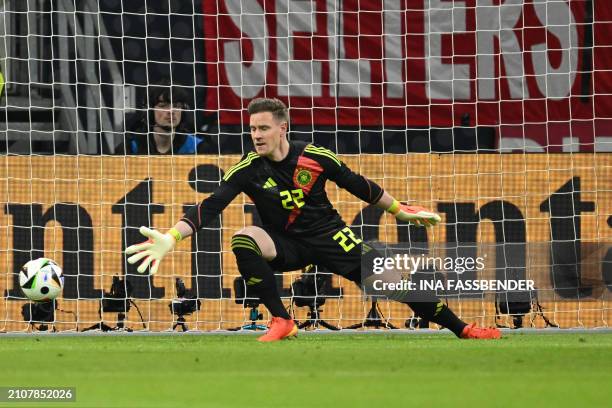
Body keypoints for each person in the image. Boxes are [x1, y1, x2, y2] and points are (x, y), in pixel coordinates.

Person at [125, 98, 501, 342]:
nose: (256, 135)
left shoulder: (315, 156)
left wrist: (399, 210)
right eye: (252, 128)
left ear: (282, 128)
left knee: (393, 284)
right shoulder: (248, 168)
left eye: (263, 128)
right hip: (286, 243)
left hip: (331, 236)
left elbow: (358, 184)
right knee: (244, 237)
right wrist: (172, 237)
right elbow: (211, 206)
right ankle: (281, 320)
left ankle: (463, 329)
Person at [115, 83, 210, 155]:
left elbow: (225, 175)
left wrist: (224, 180)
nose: (171, 111)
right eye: (163, 106)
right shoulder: (130, 148)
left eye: (177, 106)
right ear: (149, 111)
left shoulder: (198, 147)